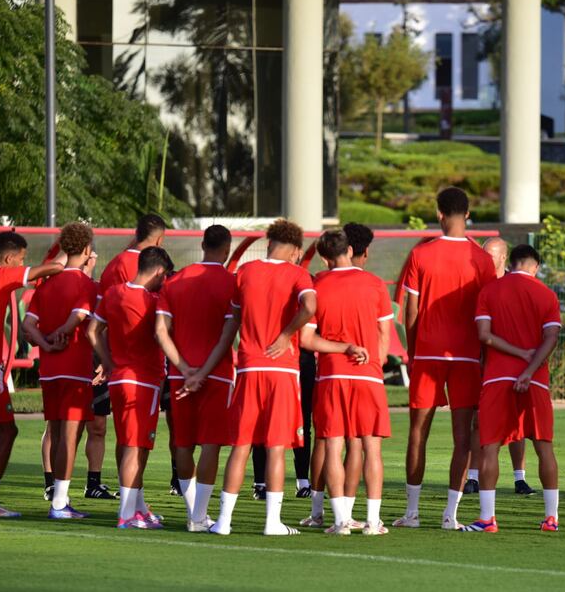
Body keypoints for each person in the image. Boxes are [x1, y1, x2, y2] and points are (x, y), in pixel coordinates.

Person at [209, 219, 337, 536]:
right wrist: (285, 335)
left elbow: (232, 323)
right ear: (295, 250)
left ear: (269, 244)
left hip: (250, 366)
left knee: (241, 445)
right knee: (277, 445)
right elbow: (310, 305)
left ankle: (223, 521)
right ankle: (272, 523)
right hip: (282, 369)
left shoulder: (246, 273)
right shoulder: (297, 274)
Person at [394, 187, 496, 530]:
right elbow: (488, 313)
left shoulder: (422, 255)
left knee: (417, 433)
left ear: (439, 214)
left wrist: (411, 351)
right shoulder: (481, 260)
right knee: (463, 438)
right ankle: (450, 515)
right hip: (467, 357)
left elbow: (409, 309)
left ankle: (412, 513)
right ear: (467, 214)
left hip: (427, 353)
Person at [462, 244, 562, 533]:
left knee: (489, 446)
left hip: (496, 377)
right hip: (536, 380)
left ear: (512, 262)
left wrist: (518, 354)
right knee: (544, 446)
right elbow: (551, 337)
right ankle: (551, 518)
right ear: (535, 267)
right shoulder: (546, 294)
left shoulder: (489, 291)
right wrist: (529, 369)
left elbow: (484, 336)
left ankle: (487, 518)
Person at [302, 228, 393, 535]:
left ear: (325, 257)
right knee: (372, 449)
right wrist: (375, 366)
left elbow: (307, 339)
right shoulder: (376, 284)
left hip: (331, 375)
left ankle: (340, 520)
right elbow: (384, 335)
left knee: (332, 447)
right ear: (351, 250)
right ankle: (372, 521)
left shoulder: (317, 285)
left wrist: (339, 348)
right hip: (368, 377)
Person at [0, 231, 62, 517]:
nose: (23, 264)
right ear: (9, 258)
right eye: (21, 259)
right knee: (7, 431)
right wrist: (68, 243)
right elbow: (55, 267)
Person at [154, 224, 237, 532]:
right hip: (217, 375)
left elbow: (161, 331)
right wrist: (201, 372)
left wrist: (185, 368)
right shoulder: (231, 283)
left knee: (183, 444)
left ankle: (195, 514)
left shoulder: (174, 282)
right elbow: (228, 335)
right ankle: (199, 516)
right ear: (227, 249)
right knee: (211, 444)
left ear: (202, 244)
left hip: (180, 374)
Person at [91, 245, 173, 529]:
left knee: (130, 444)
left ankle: (137, 507)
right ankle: (127, 514)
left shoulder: (113, 293)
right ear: (160, 272)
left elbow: (93, 330)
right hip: (144, 380)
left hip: (121, 378)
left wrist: (108, 361)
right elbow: (164, 335)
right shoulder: (153, 301)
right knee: (136, 448)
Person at [22, 222, 99, 519]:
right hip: (75, 369)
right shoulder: (86, 284)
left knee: (55, 433)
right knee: (69, 436)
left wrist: (46, 342)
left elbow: (29, 326)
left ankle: (57, 497)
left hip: (50, 370)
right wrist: (60, 334)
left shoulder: (47, 284)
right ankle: (59, 503)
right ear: (87, 250)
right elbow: (79, 314)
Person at [464, 236, 532, 497]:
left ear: (504, 257)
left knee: (517, 422)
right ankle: (473, 476)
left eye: (490, 254)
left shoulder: (513, 285)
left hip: (511, 361)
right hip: (483, 361)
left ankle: (519, 478)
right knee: (478, 420)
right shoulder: (478, 285)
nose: (485, 259)